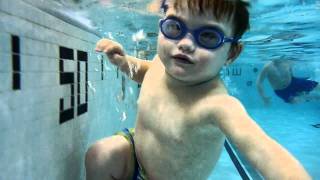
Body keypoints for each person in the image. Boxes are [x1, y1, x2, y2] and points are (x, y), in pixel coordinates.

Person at [85, 0, 311, 179]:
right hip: (136, 153)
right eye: (174, 27)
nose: (185, 43)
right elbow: (146, 71)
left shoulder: (217, 104)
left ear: (232, 53)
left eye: (209, 36)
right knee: (99, 155)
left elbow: (263, 150)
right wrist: (124, 63)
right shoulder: (161, 63)